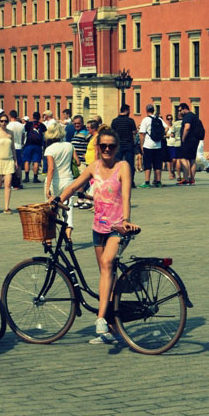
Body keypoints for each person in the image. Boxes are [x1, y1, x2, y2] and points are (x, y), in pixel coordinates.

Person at [58, 125, 138, 343]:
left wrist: (126, 219)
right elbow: (73, 186)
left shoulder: (123, 167)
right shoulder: (93, 167)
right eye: (103, 146)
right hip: (98, 228)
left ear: (117, 148)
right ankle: (112, 328)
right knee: (106, 273)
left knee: (107, 263)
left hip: (118, 227)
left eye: (111, 146)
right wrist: (57, 200)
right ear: (98, 147)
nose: (107, 149)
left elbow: (126, 196)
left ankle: (101, 318)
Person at [44, 124, 76, 240]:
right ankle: (68, 237)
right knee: (68, 209)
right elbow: (77, 162)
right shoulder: (69, 145)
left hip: (55, 182)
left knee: (50, 209)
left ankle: (49, 239)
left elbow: (51, 169)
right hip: (68, 180)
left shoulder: (50, 149)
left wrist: (47, 187)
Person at [0, 114, 18, 213]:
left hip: (9, 160)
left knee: (8, 184)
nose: (3, 123)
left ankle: (6, 207)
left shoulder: (11, 133)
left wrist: (15, 160)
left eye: (5, 121)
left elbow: (13, 148)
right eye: (1, 121)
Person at [138, 104, 165, 188]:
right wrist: (161, 135)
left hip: (148, 145)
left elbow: (142, 134)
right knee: (157, 164)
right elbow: (166, 127)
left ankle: (147, 182)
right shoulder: (159, 119)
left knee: (147, 164)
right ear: (153, 110)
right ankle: (158, 181)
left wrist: (141, 145)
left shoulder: (145, 120)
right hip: (158, 145)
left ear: (146, 111)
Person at [111, 104, 137, 185]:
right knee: (130, 164)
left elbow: (112, 133)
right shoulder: (130, 121)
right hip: (129, 144)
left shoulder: (114, 121)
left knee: (117, 164)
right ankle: (130, 182)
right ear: (127, 111)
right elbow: (134, 132)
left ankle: (116, 180)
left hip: (118, 145)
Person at [178, 103, 202, 185]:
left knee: (182, 158)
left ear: (184, 109)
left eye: (180, 110)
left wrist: (183, 138)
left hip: (188, 140)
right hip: (195, 140)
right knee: (192, 159)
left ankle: (186, 177)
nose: (179, 112)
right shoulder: (194, 116)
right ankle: (192, 179)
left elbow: (187, 127)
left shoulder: (187, 116)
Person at [23, 112, 46, 183]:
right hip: (38, 145)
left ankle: (26, 177)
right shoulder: (42, 125)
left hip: (28, 144)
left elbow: (25, 132)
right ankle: (35, 178)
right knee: (36, 161)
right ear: (39, 117)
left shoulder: (28, 124)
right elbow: (44, 134)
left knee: (27, 160)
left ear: (33, 117)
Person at [5, 110, 25, 189]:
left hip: (10, 147)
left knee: (10, 165)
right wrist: (22, 143)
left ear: (10, 116)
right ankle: (19, 182)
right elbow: (23, 136)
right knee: (19, 165)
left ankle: (11, 182)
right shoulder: (21, 125)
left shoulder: (8, 125)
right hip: (19, 146)